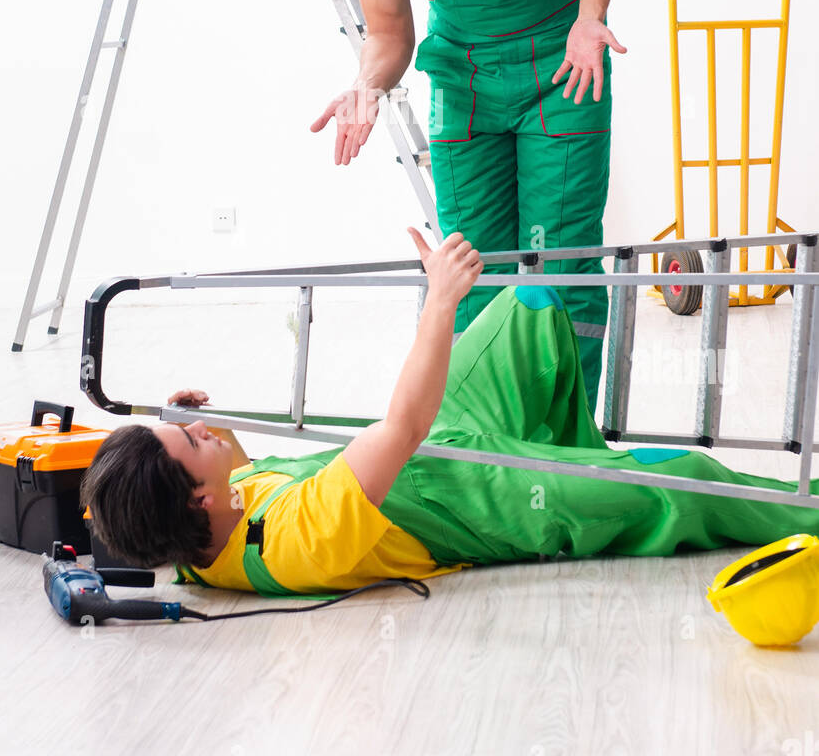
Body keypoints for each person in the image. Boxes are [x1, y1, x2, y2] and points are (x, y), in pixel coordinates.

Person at [80, 227, 819, 598]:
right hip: (465, 490)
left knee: (529, 307)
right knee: (684, 475)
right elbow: (400, 430)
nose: (199, 429)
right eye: (188, 441)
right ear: (198, 497)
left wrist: (190, 426)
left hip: (440, 438)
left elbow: (235, 472)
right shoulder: (299, 541)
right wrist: (439, 301)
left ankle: (579, 464)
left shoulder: (202, 543)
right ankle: (786, 509)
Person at [311, 0, 630, 410]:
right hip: (464, 80)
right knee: (466, 262)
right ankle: (479, 434)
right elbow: (388, 35)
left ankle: (568, 436)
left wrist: (590, 19)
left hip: (564, 63)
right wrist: (368, 84)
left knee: (558, 260)